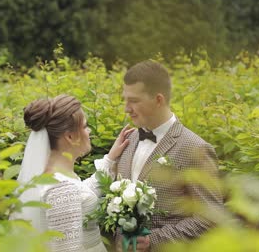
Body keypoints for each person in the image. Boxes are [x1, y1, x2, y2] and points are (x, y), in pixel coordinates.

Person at [114, 60, 223, 251]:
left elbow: (210, 217)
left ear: (158, 100)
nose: (126, 108)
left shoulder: (195, 148)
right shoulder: (128, 140)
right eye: (125, 99)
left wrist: (153, 241)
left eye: (134, 101)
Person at [14, 94, 134, 252]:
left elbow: (81, 193)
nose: (89, 131)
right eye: (84, 126)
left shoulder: (53, 177)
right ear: (70, 136)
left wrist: (110, 160)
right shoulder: (61, 188)